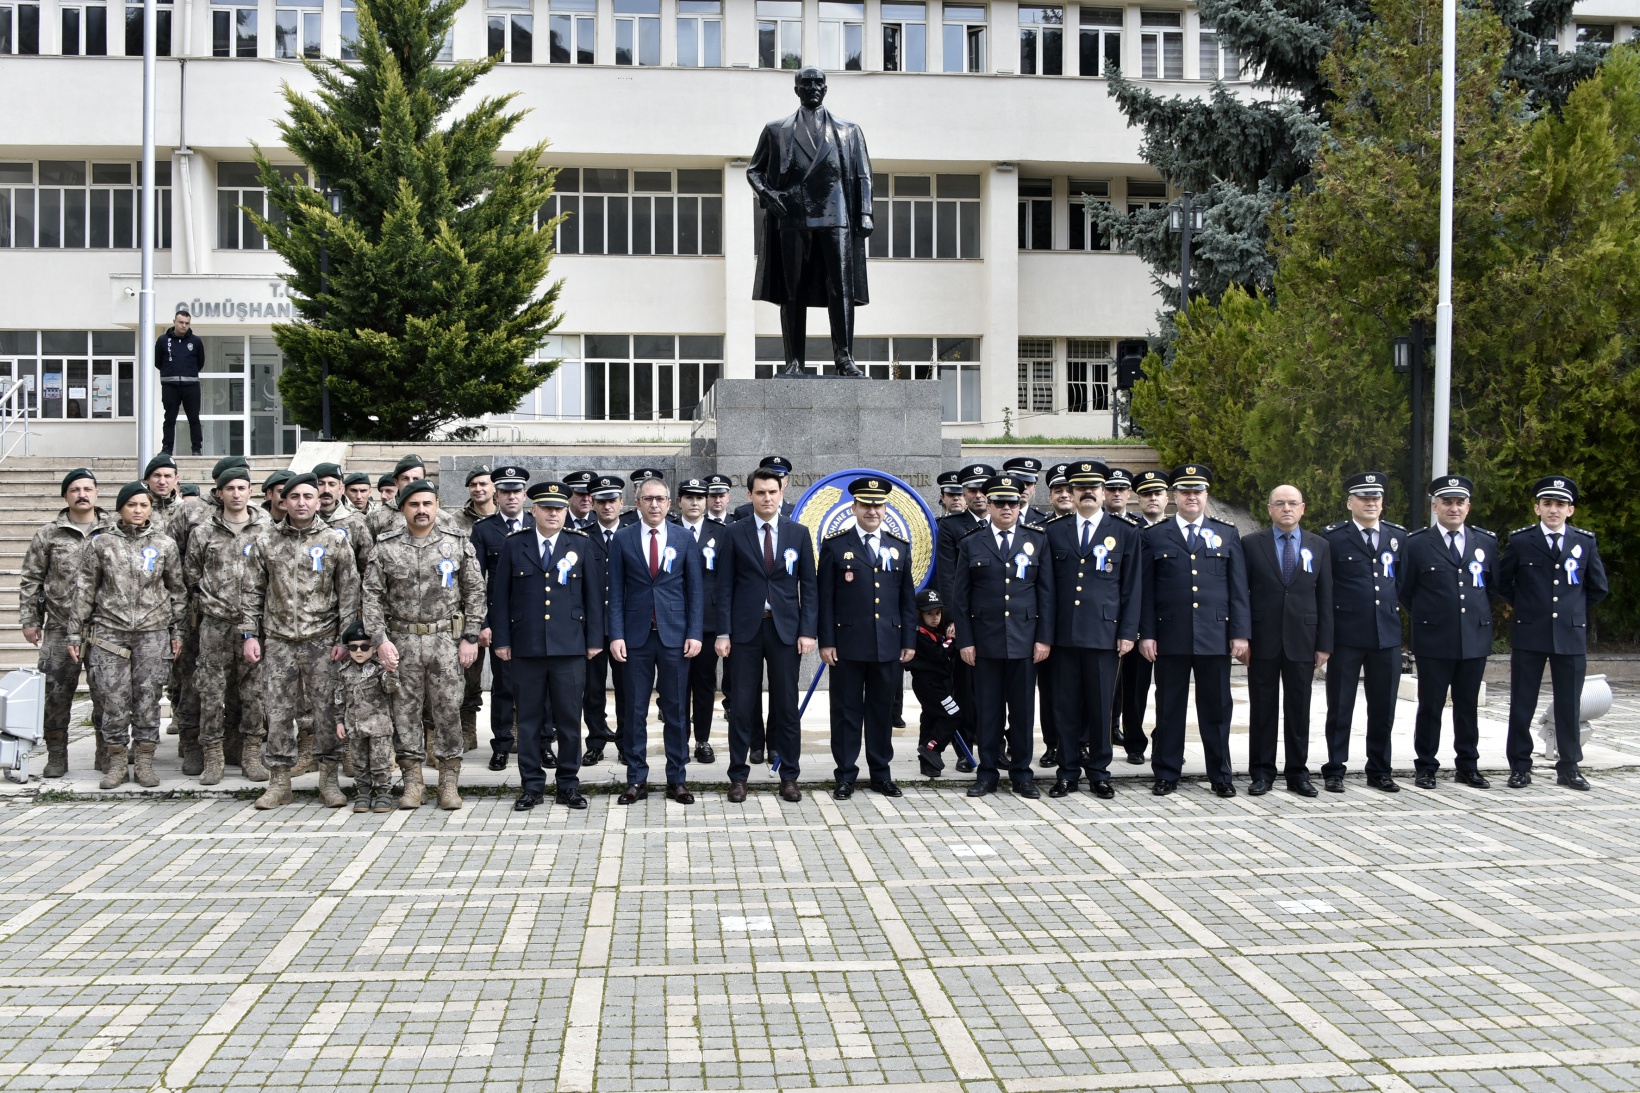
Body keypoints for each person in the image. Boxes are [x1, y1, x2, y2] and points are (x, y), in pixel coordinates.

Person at [362, 479, 486, 810]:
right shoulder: (385, 546)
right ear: (403, 508)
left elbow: (475, 591)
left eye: (427, 504)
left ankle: (448, 782)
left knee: (447, 711)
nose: (421, 510)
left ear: (437, 506)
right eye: (414, 504)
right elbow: (371, 596)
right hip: (401, 642)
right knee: (405, 714)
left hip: (445, 641)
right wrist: (380, 641)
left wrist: (470, 636)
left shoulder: (456, 543)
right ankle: (413, 782)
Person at [241, 472, 360, 810]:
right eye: (295, 497)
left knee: (326, 712)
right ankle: (280, 782)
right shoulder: (266, 541)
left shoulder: (335, 540)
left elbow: (349, 592)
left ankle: (329, 781)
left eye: (309, 497)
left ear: (319, 500)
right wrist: (251, 634)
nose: (302, 503)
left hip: (323, 641)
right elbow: (251, 591)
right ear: (284, 501)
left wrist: (344, 638)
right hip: (278, 640)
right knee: (277, 712)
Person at [747, 67, 874, 376]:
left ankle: (844, 359)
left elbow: (862, 174)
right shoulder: (777, 130)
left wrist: (865, 212)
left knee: (840, 289)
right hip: (792, 214)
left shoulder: (848, 130)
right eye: (807, 84)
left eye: (818, 83)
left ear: (826, 89)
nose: (813, 88)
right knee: (792, 291)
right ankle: (793, 362)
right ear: (797, 89)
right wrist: (768, 193)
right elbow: (754, 170)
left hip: (836, 216)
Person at [490, 480, 603, 811]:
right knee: (528, 720)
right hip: (526, 648)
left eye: (559, 508)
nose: (554, 514)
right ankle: (532, 786)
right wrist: (502, 640)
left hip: (569, 648)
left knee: (569, 720)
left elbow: (593, 597)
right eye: (547, 508)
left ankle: (568, 783)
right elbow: (500, 598)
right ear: (533, 510)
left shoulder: (580, 545)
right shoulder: (515, 544)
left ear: (566, 512)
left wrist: (595, 639)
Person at [1139, 464, 1249, 797]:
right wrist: (1146, 633)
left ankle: (1220, 774)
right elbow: (1146, 591)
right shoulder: (1154, 535)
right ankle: (1166, 773)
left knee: (1216, 709)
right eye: (1185, 491)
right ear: (1174, 496)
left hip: (1214, 637)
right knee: (1169, 708)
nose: (1191, 496)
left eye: (1197, 491)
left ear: (1206, 495)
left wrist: (1240, 633)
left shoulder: (1227, 533)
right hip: (1170, 636)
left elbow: (1238, 589)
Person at [67, 482, 185, 790]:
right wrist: (74, 634)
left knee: (148, 700)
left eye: (143, 505)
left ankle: (144, 762)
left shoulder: (164, 544)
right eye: (131, 505)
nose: (137, 510)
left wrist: (178, 631)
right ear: (120, 508)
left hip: (152, 633)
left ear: (150, 509)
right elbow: (84, 590)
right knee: (113, 700)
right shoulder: (101, 543)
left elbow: (177, 591)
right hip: (109, 633)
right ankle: (117, 761)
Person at [715, 464, 817, 802]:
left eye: (772, 492)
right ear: (750, 495)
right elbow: (724, 587)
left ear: (781, 493)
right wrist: (723, 632)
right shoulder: (734, 532)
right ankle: (738, 777)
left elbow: (809, 587)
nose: (767, 498)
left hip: (785, 630)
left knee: (786, 705)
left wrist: (807, 631)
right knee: (742, 706)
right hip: (745, 631)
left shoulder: (797, 533)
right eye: (760, 492)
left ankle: (789, 775)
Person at [1499, 476, 1608, 790]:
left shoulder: (1584, 542)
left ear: (1570, 510)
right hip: (1530, 633)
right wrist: (1529, 607)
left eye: (1560, 504)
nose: (1553, 510)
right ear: (1537, 507)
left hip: (1569, 635)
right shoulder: (1521, 541)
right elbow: (1504, 582)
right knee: (1522, 702)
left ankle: (1569, 766)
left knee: (1569, 703)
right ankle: (1520, 766)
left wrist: (1573, 610)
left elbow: (1598, 587)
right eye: (1547, 503)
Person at [1043, 461, 1141, 798]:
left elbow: (1131, 587)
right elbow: (1047, 589)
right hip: (1064, 636)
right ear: (1069, 492)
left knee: (1101, 709)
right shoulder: (1054, 532)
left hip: (1104, 635)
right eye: (1080, 486)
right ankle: (1067, 771)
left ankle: (1099, 772)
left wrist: (1128, 631)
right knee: (1065, 707)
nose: (1087, 492)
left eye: (1094, 486)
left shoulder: (1126, 532)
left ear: (1103, 492)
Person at [952, 474, 1054, 798]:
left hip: (1025, 641)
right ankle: (987, 774)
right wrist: (965, 640)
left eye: (1013, 502)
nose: (1006, 508)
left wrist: (1044, 638)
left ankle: (1023, 774)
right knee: (989, 711)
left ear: (1020, 504)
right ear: (990, 505)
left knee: (1023, 712)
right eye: (999, 502)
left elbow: (1047, 594)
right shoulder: (971, 542)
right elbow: (960, 597)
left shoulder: (1037, 540)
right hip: (985, 642)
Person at [817, 476, 918, 799]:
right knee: (846, 712)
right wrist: (827, 641)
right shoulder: (835, 546)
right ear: (854, 507)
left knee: (880, 711)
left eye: (878, 505)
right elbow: (826, 599)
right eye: (866, 505)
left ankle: (881, 773)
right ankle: (845, 774)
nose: (872, 510)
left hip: (887, 644)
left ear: (886, 509)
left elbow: (906, 599)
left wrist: (909, 641)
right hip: (846, 644)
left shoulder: (899, 546)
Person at [608, 474, 705, 804]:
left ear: (669, 503)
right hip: (635, 639)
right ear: (638, 502)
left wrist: (694, 632)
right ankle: (636, 779)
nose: (654, 504)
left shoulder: (683, 538)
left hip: (675, 638)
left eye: (660, 499)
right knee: (634, 711)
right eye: (648, 499)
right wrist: (616, 635)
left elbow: (695, 590)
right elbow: (616, 593)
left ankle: (677, 778)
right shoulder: (622, 539)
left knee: (677, 711)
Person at [1398, 475, 1497, 790]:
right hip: (1434, 639)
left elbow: (1490, 589)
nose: (1454, 508)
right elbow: (1404, 590)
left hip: (1474, 638)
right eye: (1447, 502)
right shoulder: (1416, 544)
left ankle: (1467, 766)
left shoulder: (1485, 542)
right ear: (1435, 506)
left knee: (1468, 706)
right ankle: (1426, 766)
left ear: (1468, 507)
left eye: (1459, 502)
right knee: (1431, 706)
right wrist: (1433, 617)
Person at [21, 468, 112, 778]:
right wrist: (30, 619)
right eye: (75, 489)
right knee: (56, 695)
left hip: (103, 628)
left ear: (97, 493)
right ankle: (57, 755)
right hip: (59, 627)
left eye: (87, 488)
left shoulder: (113, 530)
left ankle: (106, 753)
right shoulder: (49, 534)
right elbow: (32, 578)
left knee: (106, 693)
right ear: (65, 496)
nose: (82, 494)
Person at [1244, 484, 1333, 797]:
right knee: (1263, 709)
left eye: (1292, 503)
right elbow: (1243, 594)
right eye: (1279, 503)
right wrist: (1243, 636)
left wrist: (1325, 643)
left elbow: (1325, 596)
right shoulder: (1251, 544)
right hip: (1263, 639)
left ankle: (1298, 773)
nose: (1286, 509)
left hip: (1303, 640)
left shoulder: (1319, 545)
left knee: (1299, 710)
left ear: (1303, 508)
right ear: (1269, 509)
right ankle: (1262, 772)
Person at [1320, 472, 1407, 793]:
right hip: (1346, 636)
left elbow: (1402, 583)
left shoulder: (1397, 537)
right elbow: (1325, 589)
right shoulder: (1333, 538)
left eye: (1376, 498)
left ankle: (1380, 769)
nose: (1371, 503)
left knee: (1383, 709)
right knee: (1340, 706)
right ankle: (1335, 768)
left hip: (1386, 635)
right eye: (1364, 498)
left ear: (1382, 503)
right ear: (1350, 503)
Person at [184, 465, 271, 784]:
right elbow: (191, 575)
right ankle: (213, 756)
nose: (236, 494)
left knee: (253, 692)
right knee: (211, 690)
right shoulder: (204, 531)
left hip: (254, 626)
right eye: (229, 488)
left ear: (251, 491)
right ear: (219, 493)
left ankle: (250, 753)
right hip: (215, 625)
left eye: (242, 488)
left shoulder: (266, 529)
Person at [472, 464, 532, 771]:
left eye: (516, 491)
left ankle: (539, 743)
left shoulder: (538, 524)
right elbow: (475, 581)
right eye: (505, 491)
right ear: (496, 495)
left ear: (524, 495)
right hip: (501, 621)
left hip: (535, 621)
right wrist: (483, 623)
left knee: (538, 685)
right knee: (503, 686)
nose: (511, 497)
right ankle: (502, 744)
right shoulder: (483, 530)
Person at [1112, 469, 1169, 765]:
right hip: (1136, 623)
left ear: (1166, 497)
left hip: (1170, 624)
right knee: (1134, 688)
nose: (1152, 499)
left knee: (1170, 691)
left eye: (1157, 493)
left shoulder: (1175, 530)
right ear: (1138, 498)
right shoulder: (1129, 529)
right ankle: (1134, 743)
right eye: (1146, 494)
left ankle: (1166, 741)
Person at [677, 477, 728, 763]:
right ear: (680, 501)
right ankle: (680, 739)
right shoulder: (670, 529)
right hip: (675, 620)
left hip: (708, 622)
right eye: (689, 497)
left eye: (700, 497)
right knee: (677, 685)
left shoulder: (720, 533)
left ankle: (703, 740)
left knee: (705, 684)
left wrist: (724, 627)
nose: (695, 502)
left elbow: (726, 581)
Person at [449, 465, 497, 753]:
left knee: (511, 674)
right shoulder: (454, 521)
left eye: (484, 484)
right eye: (473, 485)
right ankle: (467, 729)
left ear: (494, 488)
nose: (478, 489)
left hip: (504, 607)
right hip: (467, 608)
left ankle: (512, 726)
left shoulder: (510, 519)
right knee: (468, 674)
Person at [582, 473, 629, 765]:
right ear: (592, 504)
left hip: (626, 626)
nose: (607, 506)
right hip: (593, 627)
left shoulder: (634, 533)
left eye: (612, 500)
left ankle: (626, 743)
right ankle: (596, 742)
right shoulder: (582, 537)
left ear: (622, 502)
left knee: (628, 690)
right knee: (593, 690)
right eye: (601, 501)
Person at [335, 620, 399, 814]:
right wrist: (339, 722)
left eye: (364, 646)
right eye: (353, 647)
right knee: (359, 762)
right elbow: (339, 699)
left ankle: (383, 792)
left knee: (380, 761)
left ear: (373, 648)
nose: (359, 651)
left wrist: (391, 671)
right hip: (355, 726)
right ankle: (362, 792)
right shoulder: (344, 672)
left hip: (378, 725)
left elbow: (391, 688)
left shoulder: (380, 669)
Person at [905, 589, 964, 777]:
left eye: (938, 613)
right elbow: (940, 655)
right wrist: (951, 641)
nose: (935, 618)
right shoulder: (920, 634)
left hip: (936, 683)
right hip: (927, 684)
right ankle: (931, 747)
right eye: (929, 614)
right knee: (953, 713)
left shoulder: (934, 633)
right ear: (919, 614)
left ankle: (928, 762)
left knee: (930, 718)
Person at [155, 307, 204, 455]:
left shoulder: (195, 341)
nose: (184, 325)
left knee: (194, 418)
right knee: (169, 418)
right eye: (181, 322)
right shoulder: (163, 340)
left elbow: (200, 362)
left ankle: (196, 449)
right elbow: (157, 361)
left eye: (187, 323)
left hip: (191, 386)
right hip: (170, 385)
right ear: (174, 322)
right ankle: (167, 448)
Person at [731, 456, 796, 522]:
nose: (774, 481)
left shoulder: (796, 510)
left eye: (780, 477)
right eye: (769, 477)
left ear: (786, 482)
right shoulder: (743, 512)